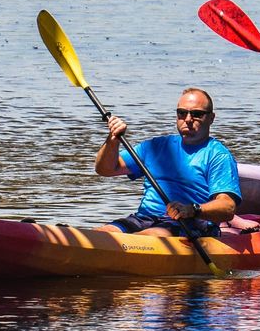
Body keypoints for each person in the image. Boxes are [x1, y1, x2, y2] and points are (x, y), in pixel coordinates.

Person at [95, 87, 240, 237]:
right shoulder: (155, 146)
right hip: (144, 218)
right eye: (182, 113)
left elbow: (228, 207)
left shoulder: (218, 155)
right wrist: (112, 140)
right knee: (102, 234)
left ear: (211, 118)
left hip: (190, 222)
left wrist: (193, 209)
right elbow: (105, 169)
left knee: (149, 235)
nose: (188, 119)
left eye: (197, 114)